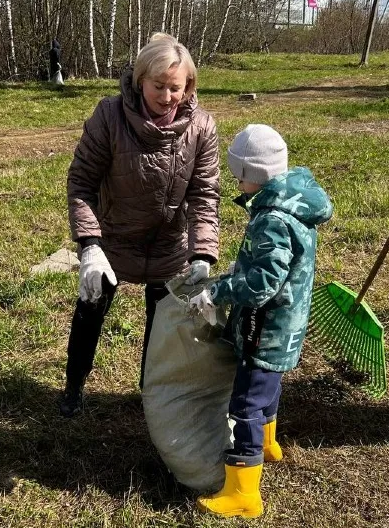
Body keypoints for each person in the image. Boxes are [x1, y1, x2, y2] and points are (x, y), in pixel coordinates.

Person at [63, 33, 220, 417]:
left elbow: (204, 193)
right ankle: (73, 387)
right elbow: (81, 182)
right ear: (139, 80)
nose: (167, 97)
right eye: (158, 86)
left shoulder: (201, 127)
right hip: (113, 240)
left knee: (162, 325)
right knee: (90, 312)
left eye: (175, 88)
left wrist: (202, 254)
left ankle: (150, 392)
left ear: (189, 86)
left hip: (168, 245)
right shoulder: (110, 116)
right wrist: (90, 245)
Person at [189, 124, 333, 517]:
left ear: (253, 175)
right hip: (287, 325)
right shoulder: (295, 203)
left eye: (239, 175)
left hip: (264, 327)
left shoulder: (272, 218)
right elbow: (278, 268)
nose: (238, 182)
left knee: (244, 405)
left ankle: (242, 491)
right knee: (267, 388)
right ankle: (268, 444)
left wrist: (217, 292)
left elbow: (262, 284)